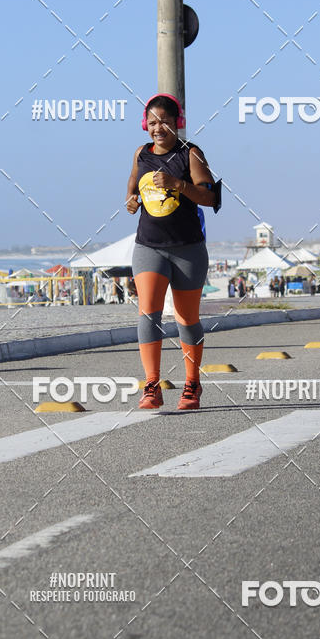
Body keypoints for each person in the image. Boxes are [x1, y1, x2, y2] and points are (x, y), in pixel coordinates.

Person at [126, 93, 218, 410]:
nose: (158, 128)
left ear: (177, 123)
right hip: (148, 245)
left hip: (188, 249)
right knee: (147, 315)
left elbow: (210, 197)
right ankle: (152, 386)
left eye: (164, 121)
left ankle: (192, 385)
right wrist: (131, 201)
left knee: (186, 319)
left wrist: (178, 185)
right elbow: (132, 187)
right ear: (145, 125)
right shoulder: (141, 153)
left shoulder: (191, 154)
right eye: (152, 122)